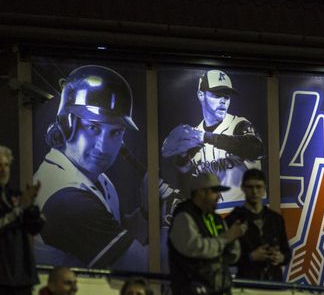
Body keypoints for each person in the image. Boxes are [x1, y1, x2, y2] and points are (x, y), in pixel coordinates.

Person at [33, 65, 150, 269]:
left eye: (115, 133)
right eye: (93, 127)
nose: (103, 146)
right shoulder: (66, 199)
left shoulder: (94, 178)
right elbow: (144, 266)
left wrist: (147, 211)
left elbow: (119, 233)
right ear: (67, 123)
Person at [161, 69, 264, 207]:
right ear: (201, 95)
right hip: (215, 215)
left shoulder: (238, 124)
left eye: (227, 96)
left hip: (246, 210)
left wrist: (206, 137)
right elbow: (185, 172)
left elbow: (256, 148)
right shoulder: (195, 133)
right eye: (217, 95)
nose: (223, 101)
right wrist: (182, 156)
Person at [168, 172, 245, 295]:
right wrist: (226, 238)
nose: (218, 196)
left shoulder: (216, 218)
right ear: (201, 192)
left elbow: (233, 255)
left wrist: (231, 240)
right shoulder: (184, 217)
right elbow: (196, 249)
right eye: (214, 192)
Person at [0, 145, 44, 295]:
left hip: (21, 278)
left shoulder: (15, 195)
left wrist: (32, 206)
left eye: (6, 165)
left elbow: (35, 228)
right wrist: (19, 209)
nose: (3, 170)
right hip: (1, 278)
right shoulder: (17, 202)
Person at [227, 169, 291, 281]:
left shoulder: (275, 219)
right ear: (243, 188)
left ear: (264, 188)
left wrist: (280, 257)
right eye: (250, 187)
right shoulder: (233, 219)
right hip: (247, 284)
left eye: (258, 187)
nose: (254, 191)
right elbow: (225, 257)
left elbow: (287, 252)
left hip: (274, 282)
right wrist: (251, 257)